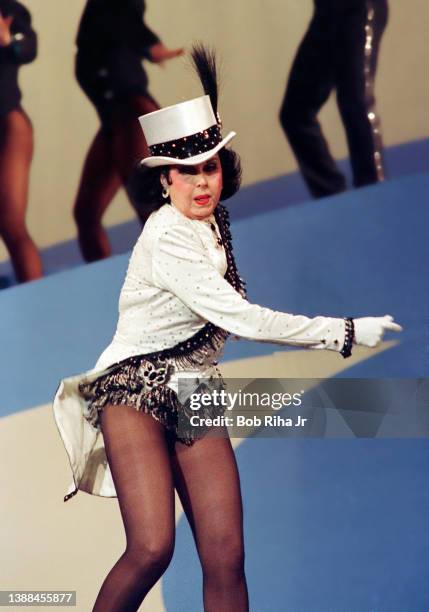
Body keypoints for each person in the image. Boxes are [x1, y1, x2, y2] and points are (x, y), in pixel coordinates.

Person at [53, 46, 401, 612]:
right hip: (133, 388)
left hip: (196, 387)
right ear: (164, 181)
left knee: (225, 558)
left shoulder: (215, 222)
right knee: (152, 548)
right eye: (186, 172)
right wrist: (339, 331)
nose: (201, 183)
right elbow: (240, 317)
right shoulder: (167, 236)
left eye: (210, 167)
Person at [73, 0, 183, 262]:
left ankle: (187, 284)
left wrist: (150, 44)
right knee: (86, 214)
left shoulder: (118, 10)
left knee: (150, 208)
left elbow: (127, 17)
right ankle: (103, 282)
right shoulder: (98, 11)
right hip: (113, 117)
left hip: (131, 113)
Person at [279, 0, 389, 198]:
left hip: (359, 9)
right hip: (326, 14)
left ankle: (374, 193)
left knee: (355, 101)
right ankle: (332, 197)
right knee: (295, 113)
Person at [0, 0, 42, 282]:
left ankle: (36, 295)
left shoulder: (9, 10)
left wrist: (8, 40)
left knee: (11, 223)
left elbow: (28, 47)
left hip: (7, 126)